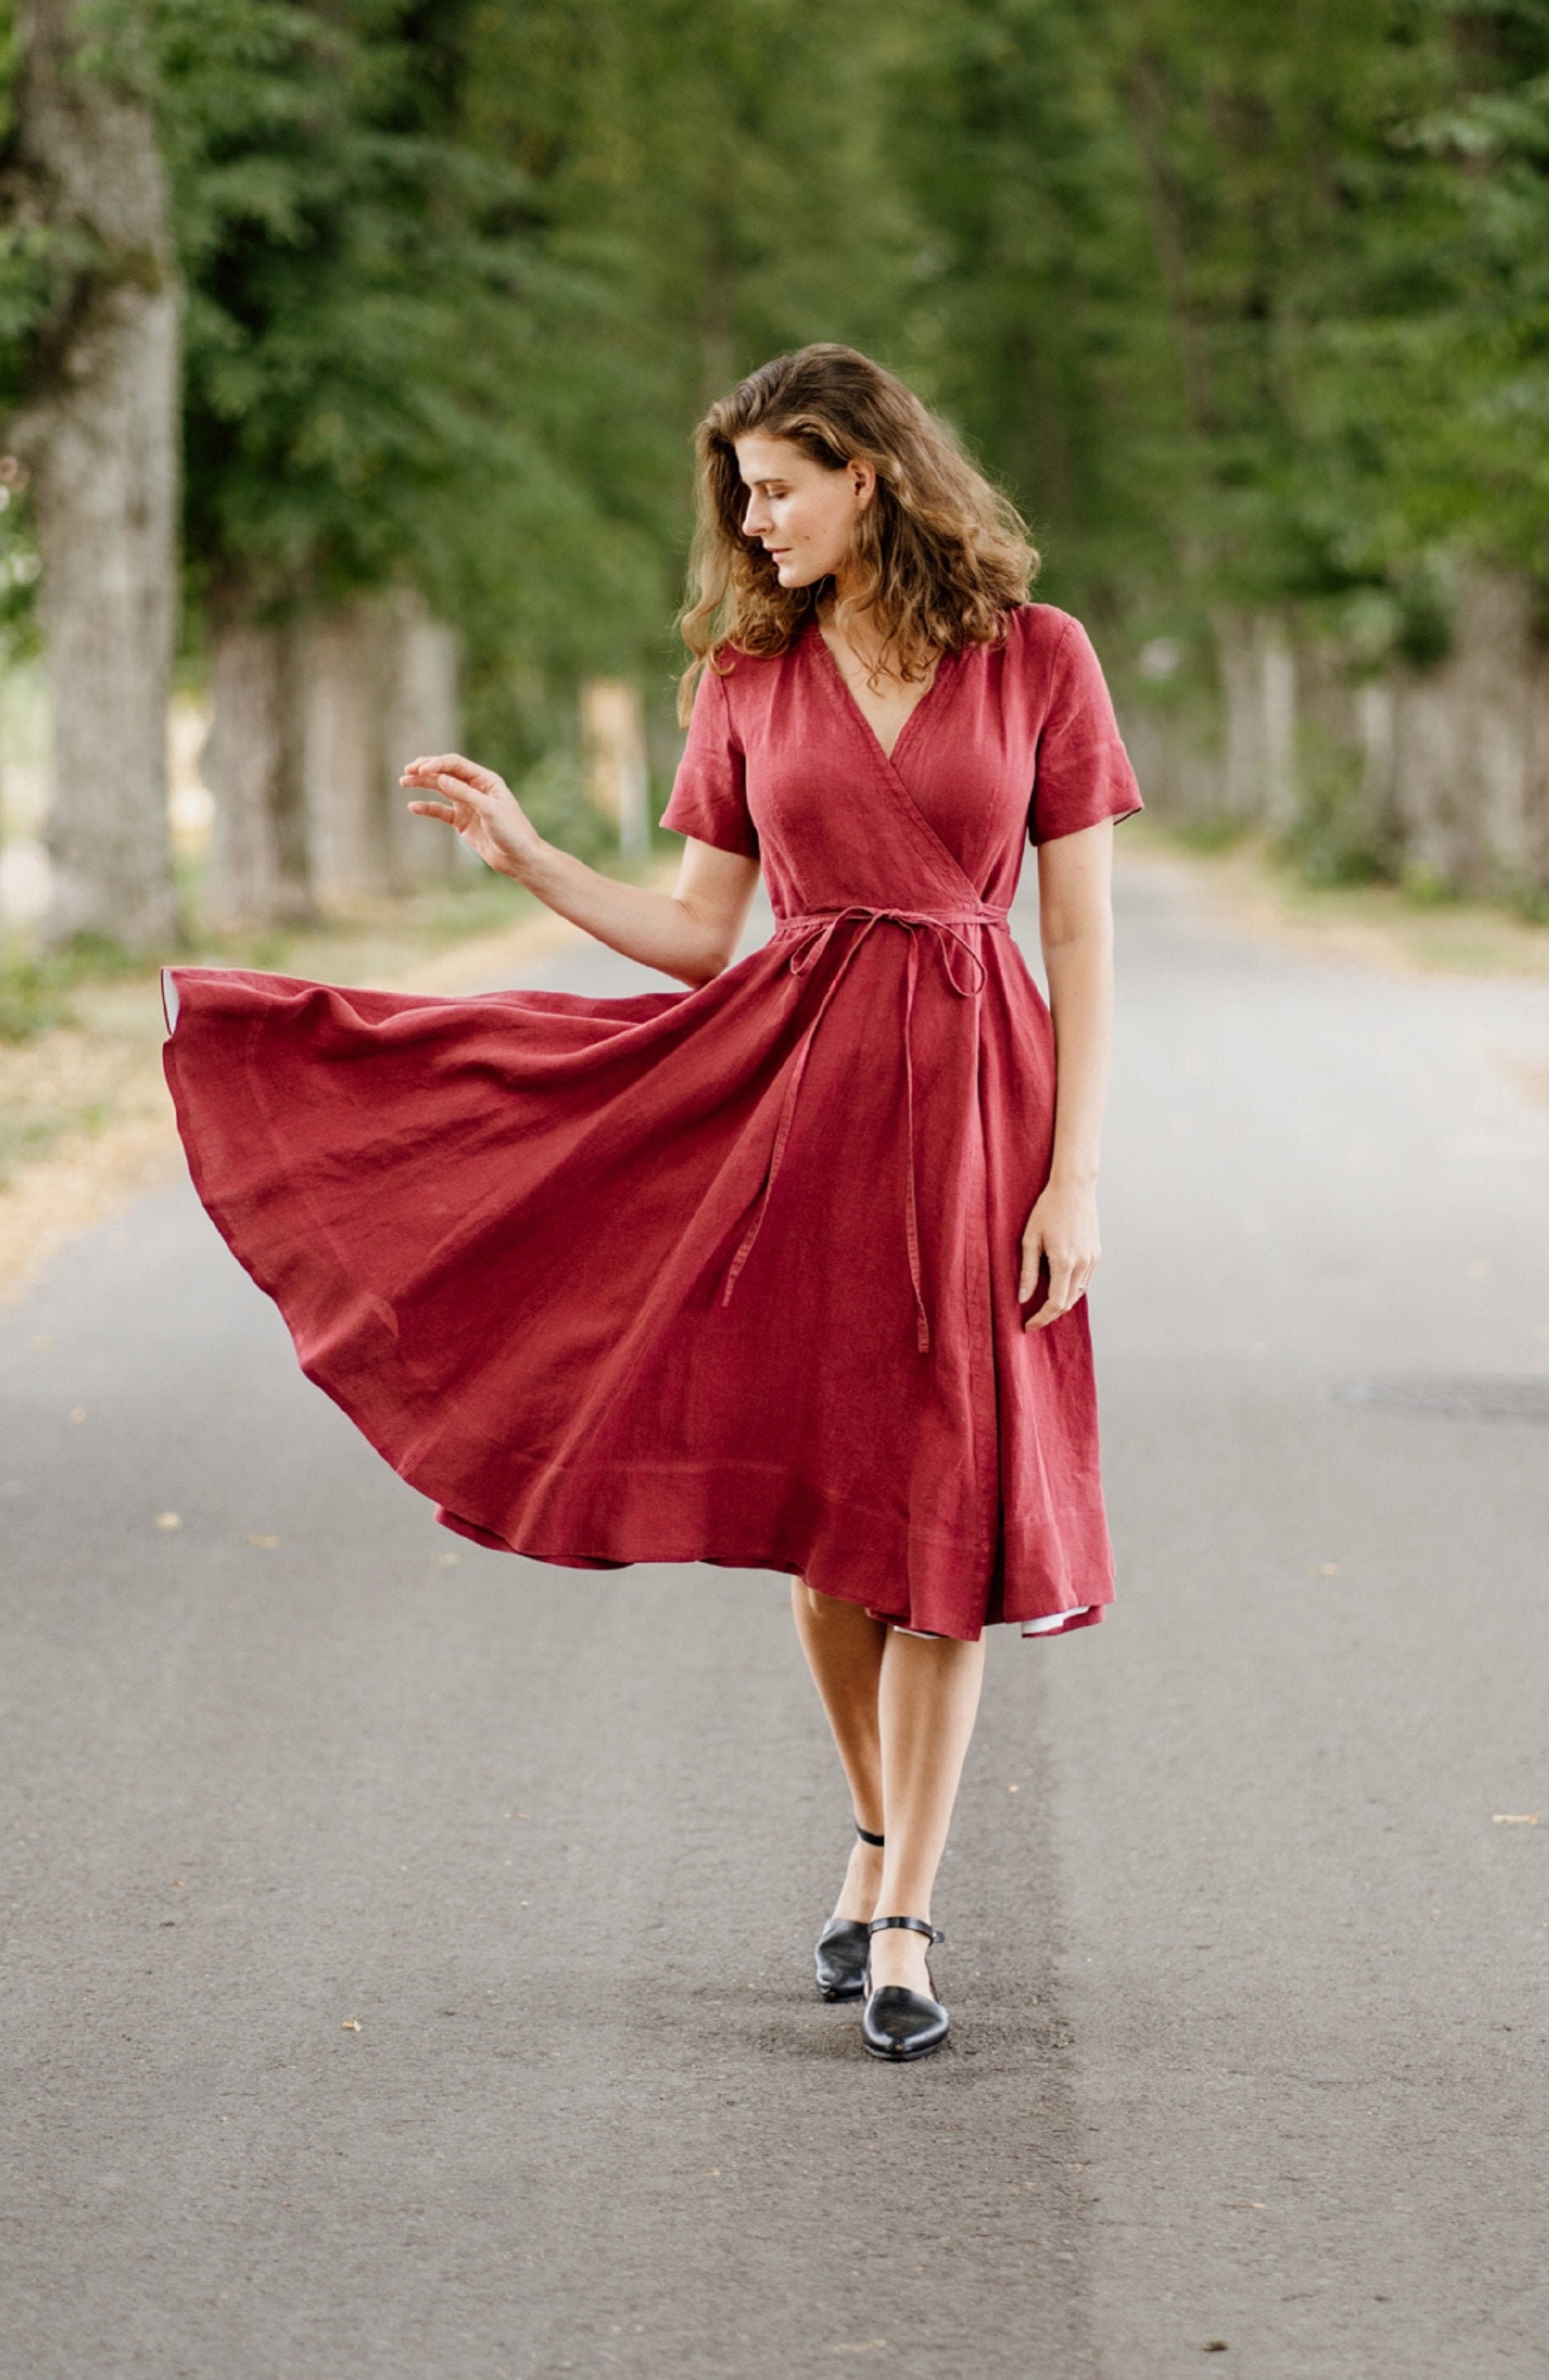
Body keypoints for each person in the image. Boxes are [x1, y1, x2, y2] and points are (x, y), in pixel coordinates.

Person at [163, 343, 1141, 2063]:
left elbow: (1079, 938)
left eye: (776, 489)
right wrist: (533, 859)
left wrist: (1072, 1175)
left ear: (870, 473)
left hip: (985, 1113)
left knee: (945, 1531)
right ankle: (874, 1837)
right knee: (837, 1526)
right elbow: (703, 934)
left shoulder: (1037, 659)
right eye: (740, 498)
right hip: (801, 1110)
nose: (750, 526)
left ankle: (903, 1914)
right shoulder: (746, 678)